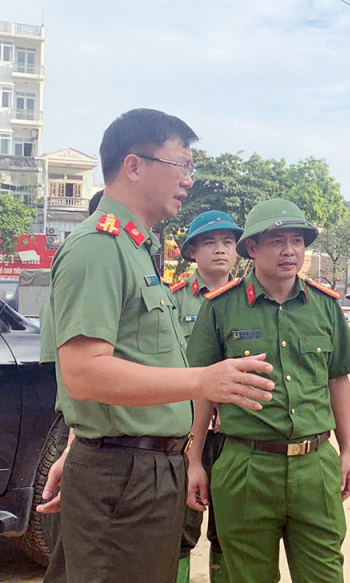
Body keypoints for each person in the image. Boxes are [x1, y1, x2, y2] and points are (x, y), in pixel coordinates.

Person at [38, 108, 275, 583]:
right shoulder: (99, 247)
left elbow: (123, 364)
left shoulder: (134, 247)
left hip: (137, 468)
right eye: (181, 165)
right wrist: (205, 379)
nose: (189, 179)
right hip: (124, 476)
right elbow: (83, 373)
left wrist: (82, 444)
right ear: (134, 165)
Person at [185, 199, 350, 583]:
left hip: (315, 464)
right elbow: (202, 390)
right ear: (251, 249)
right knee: (246, 576)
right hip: (246, 465)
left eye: (297, 241)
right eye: (277, 241)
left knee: (325, 574)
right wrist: (194, 460)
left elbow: (338, 380)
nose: (290, 251)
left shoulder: (325, 306)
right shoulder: (222, 307)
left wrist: (347, 452)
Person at [172, 210, 244, 583]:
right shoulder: (173, 301)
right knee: (178, 532)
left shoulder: (250, 301)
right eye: (210, 242)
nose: (220, 250)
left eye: (228, 242)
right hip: (183, 432)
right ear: (191, 252)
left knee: (231, 532)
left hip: (236, 434)